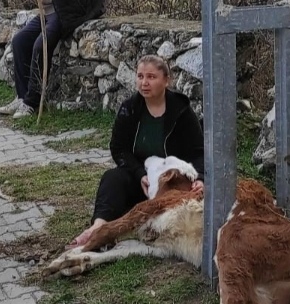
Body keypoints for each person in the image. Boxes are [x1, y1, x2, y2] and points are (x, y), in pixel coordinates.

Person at [69, 55, 205, 248]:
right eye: (140, 76)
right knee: (113, 178)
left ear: (166, 80)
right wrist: (139, 174)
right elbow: (119, 148)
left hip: (172, 184)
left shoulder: (181, 112)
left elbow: (199, 152)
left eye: (151, 77)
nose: (144, 83)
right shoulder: (129, 109)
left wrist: (200, 178)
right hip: (143, 181)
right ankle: (98, 227)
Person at [0, 0, 105, 119]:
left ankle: (32, 102)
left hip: (70, 11)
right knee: (20, 41)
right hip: (48, 13)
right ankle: (22, 97)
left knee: (41, 45)